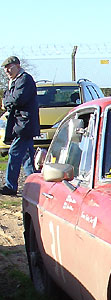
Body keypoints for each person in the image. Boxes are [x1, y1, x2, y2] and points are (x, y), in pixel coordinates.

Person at [1, 56, 40, 196]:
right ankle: (35, 185)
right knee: (28, 157)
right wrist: (7, 99)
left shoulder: (24, 79)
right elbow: (8, 97)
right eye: (5, 69)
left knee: (14, 153)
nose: (7, 70)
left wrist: (6, 101)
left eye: (9, 67)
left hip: (24, 124)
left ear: (18, 65)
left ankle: (10, 186)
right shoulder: (15, 81)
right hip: (21, 124)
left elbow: (17, 98)